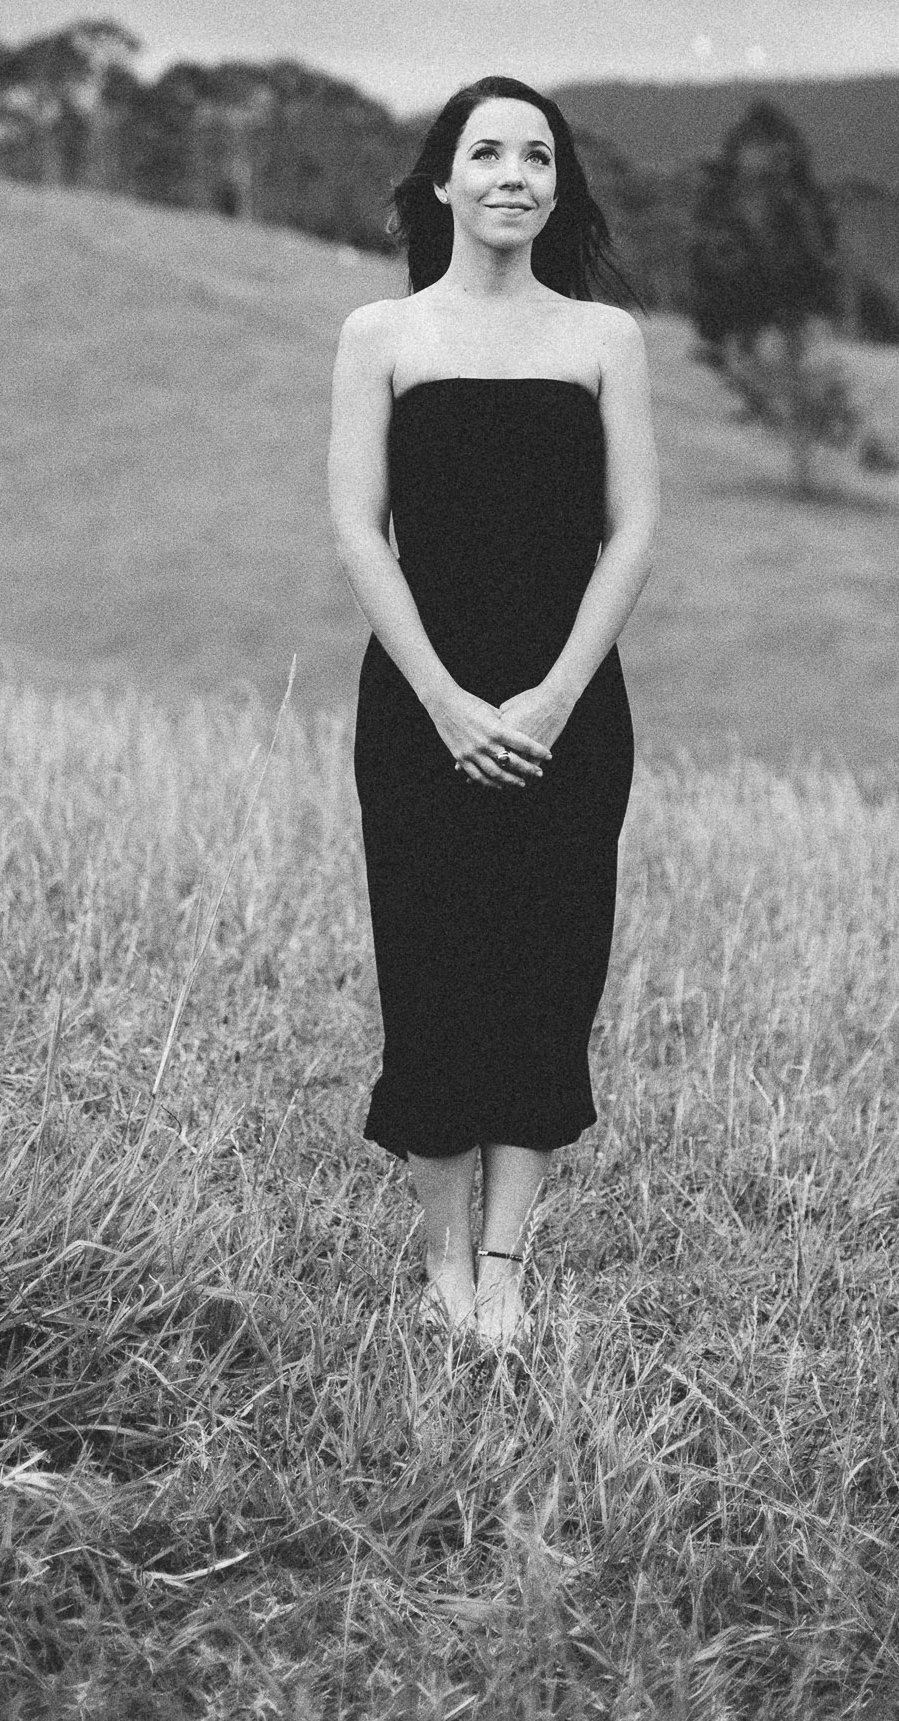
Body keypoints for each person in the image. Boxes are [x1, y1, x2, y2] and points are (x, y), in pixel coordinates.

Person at [327, 76, 658, 1344]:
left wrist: (555, 697)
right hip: (418, 702)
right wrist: (449, 704)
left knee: (544, 968)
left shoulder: (603, 341)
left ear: (557, 187)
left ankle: (507, 1267)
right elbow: (359, 533)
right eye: (487, 152)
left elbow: (632, 532)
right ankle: (442, 1263)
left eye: (537, 155)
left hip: (571, 706)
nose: (513, 173)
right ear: (442, 182)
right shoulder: (380, 335)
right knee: (431, 969)